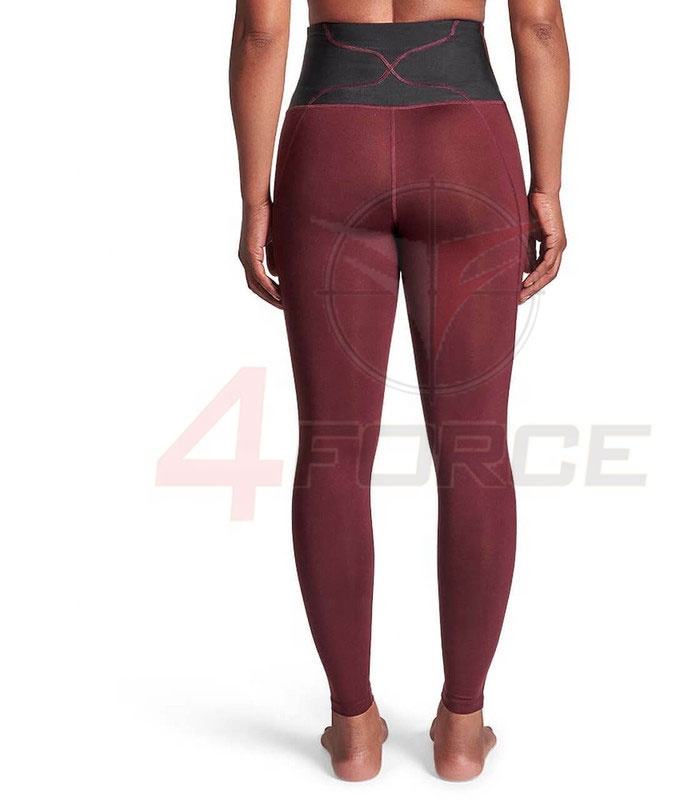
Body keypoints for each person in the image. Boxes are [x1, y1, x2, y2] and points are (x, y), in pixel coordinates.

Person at [229, 0, 568, 782]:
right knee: (474, 445)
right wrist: (546, 187)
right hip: (466, 145)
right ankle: (462, 730)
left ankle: (354, 731)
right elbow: (540, 27)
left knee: (332, 448)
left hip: (329, 144)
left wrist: (254, 199)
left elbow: (263, 31)